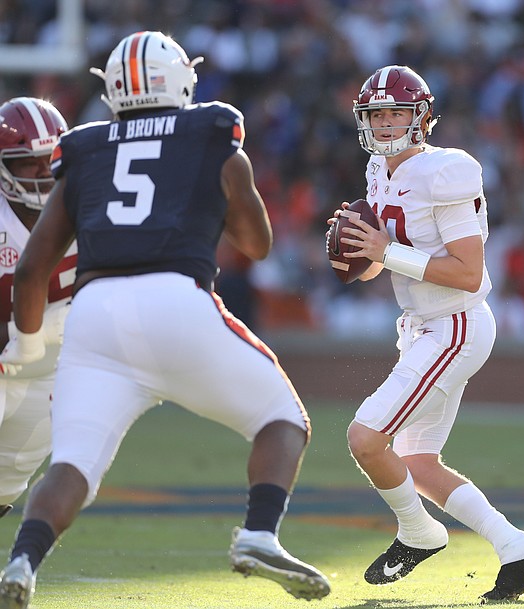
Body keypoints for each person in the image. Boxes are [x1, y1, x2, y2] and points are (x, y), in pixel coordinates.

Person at [0, 31, 330, 609]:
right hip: (176, 297)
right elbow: (256, 244)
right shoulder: (211, 133)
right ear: (182, 79)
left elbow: (32, 268)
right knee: (284, 420)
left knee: (74, 463)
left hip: (92, 315)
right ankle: (258, 532)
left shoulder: (84, 148)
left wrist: (25, 350)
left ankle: (23, 560)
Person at [327, 64, 524, 602]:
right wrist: (364, 252)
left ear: (421, 117)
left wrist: (387, 252)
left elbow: (467, 272)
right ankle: (517, 548)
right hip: (425, 325)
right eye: (375, 114)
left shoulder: (446, 170)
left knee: (366, 437)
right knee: (417, 463)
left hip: (456, 323)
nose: (383, 124)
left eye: (395, 113)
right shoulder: (379, 171)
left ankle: (419, 532)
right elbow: (390, 261)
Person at [0, 97, 73, 518]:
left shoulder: (91, 207)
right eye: (29, 163)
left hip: (47, 367)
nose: (44, 171)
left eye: (51, 158)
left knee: (7, 480)